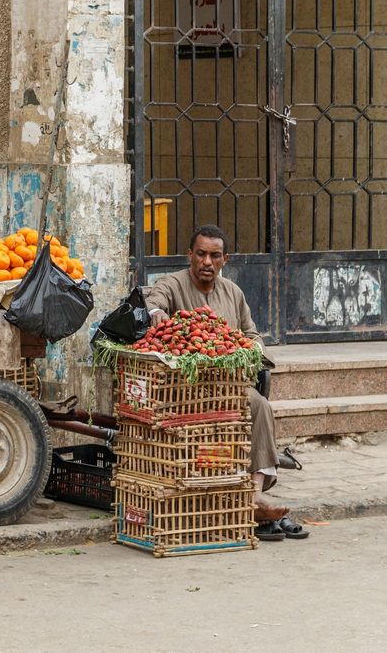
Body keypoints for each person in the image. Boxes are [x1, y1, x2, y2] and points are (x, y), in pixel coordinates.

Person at [145, 224, 308, 541]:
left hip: (229, 384)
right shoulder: (172, 284)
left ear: (225, 259)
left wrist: (251, 349)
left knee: (258, 405)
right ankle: (249, 502)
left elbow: (252, 334)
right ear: (189, 255)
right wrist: (156, 313)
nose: (207, 261)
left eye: (215, 256)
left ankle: (254, 494)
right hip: (186, 388)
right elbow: (155, 299)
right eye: (201, 254)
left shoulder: (233, 293)